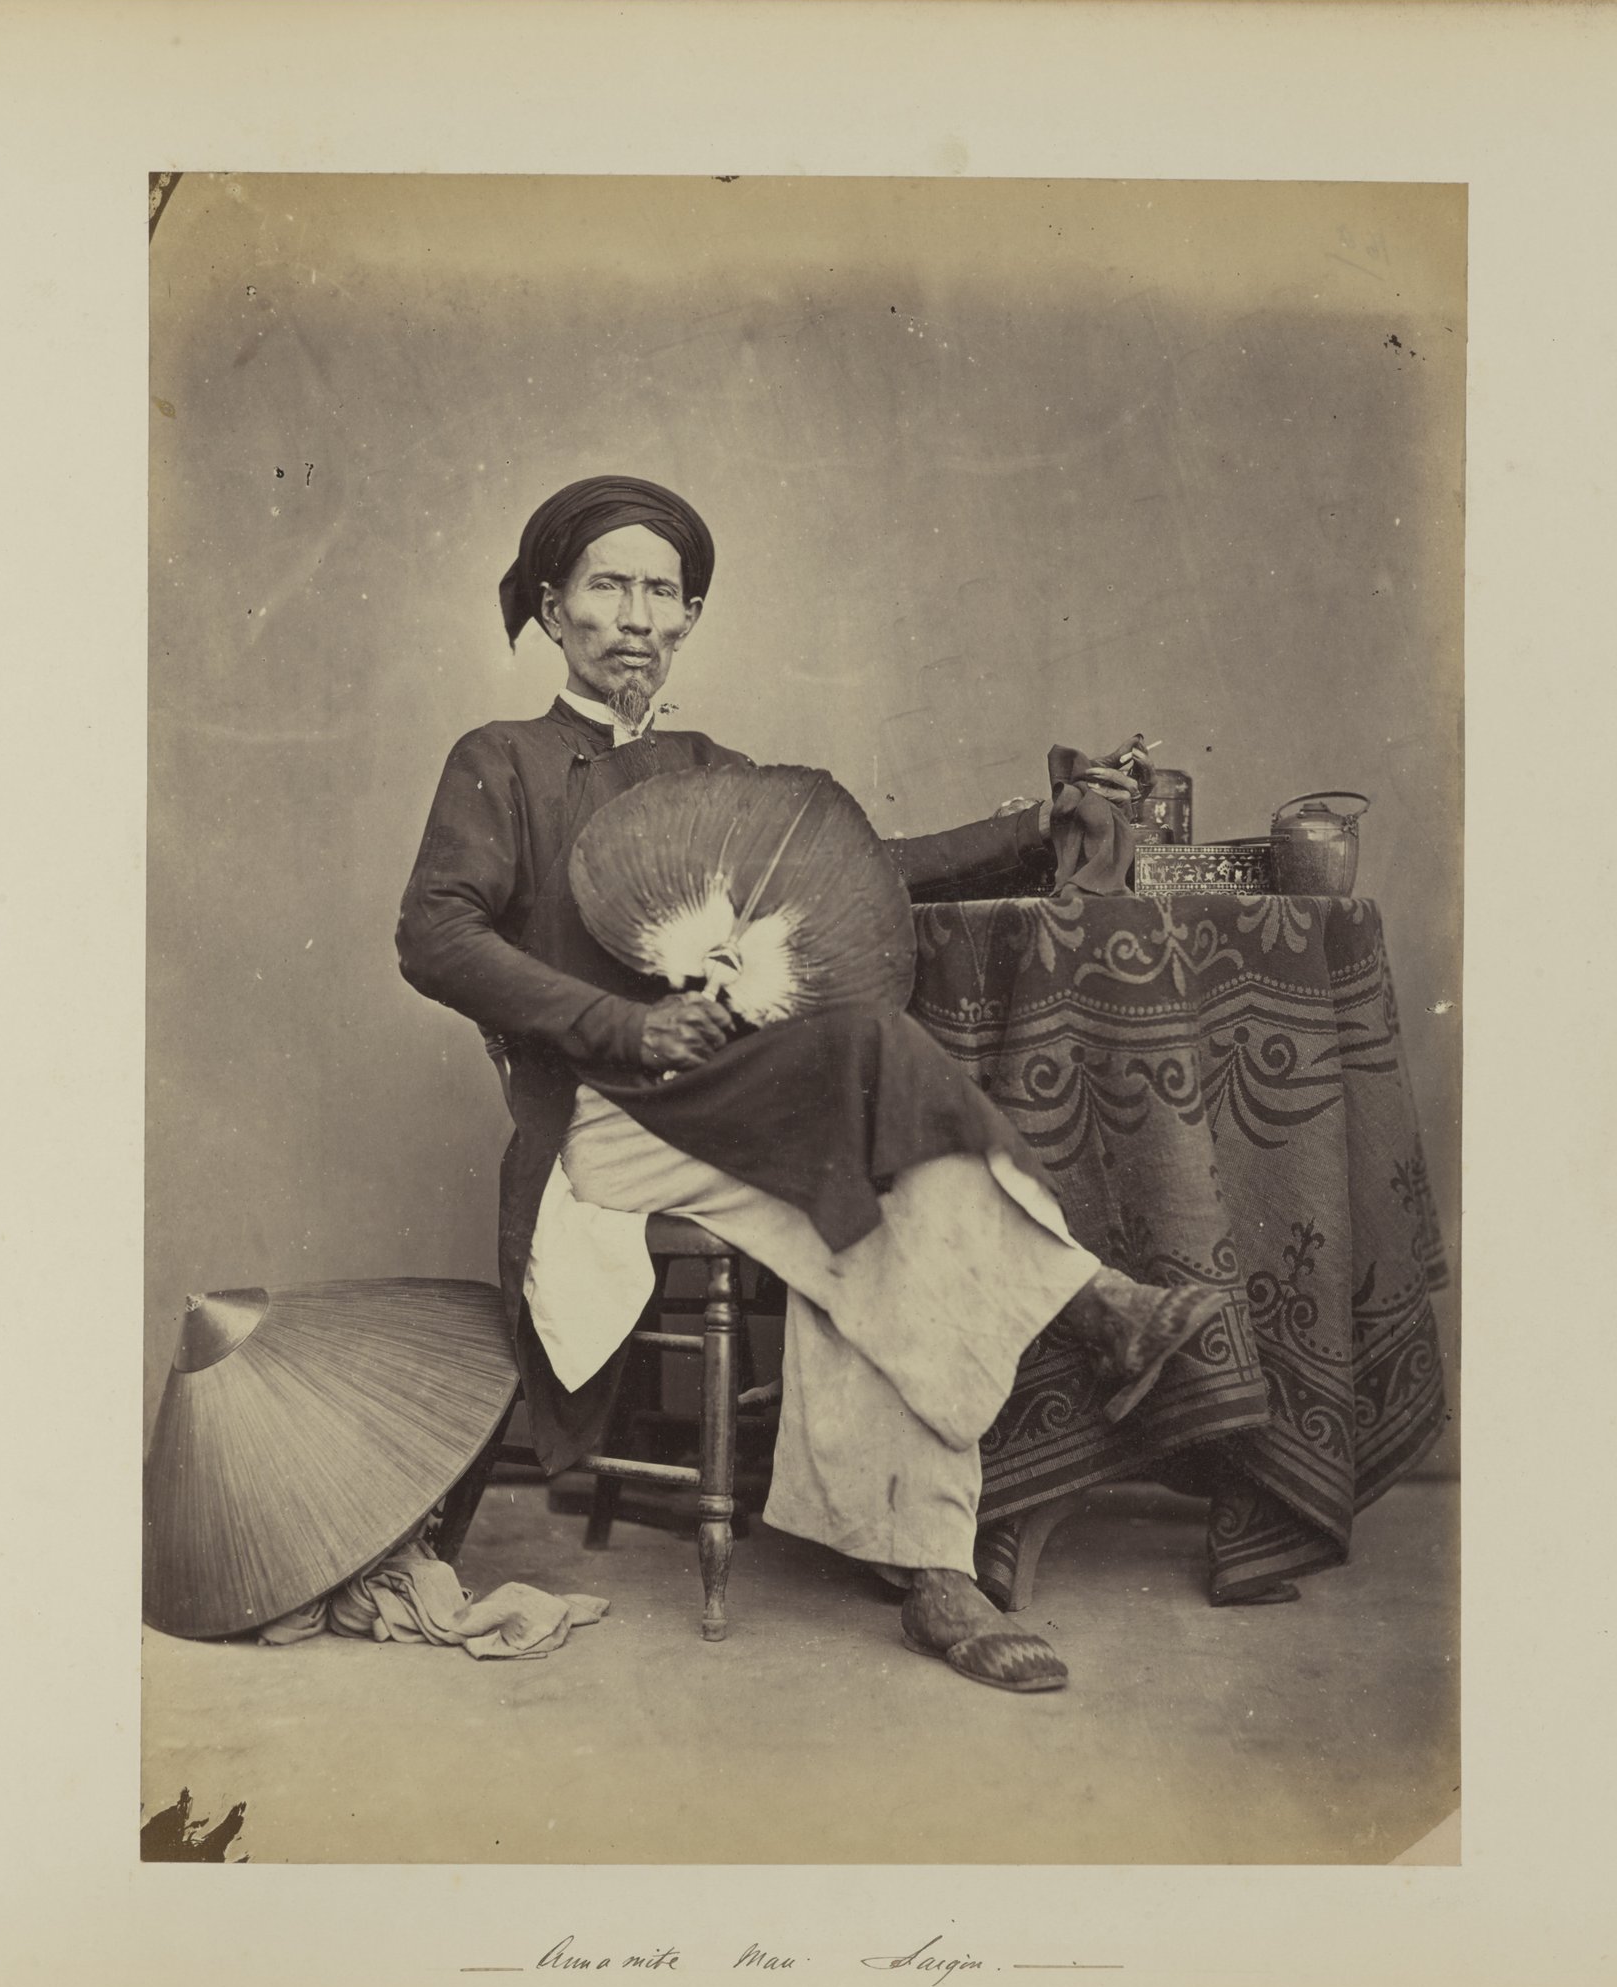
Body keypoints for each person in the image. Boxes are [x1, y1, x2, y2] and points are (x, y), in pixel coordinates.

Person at [397, 475, 1227, 1692]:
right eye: (607, 586)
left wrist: (1026, 829)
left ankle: (933, 1569)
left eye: (662, 593)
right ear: (550, 606)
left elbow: (862, 868)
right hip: (610, 1122)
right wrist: (614, 1026)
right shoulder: (502, 762)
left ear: (687, 621)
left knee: (884, 1196)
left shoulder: (705, 766)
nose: (635, 615)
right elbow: (436, 935)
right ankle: (1092, 1302)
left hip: (759, 1116)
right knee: (862, 1059)